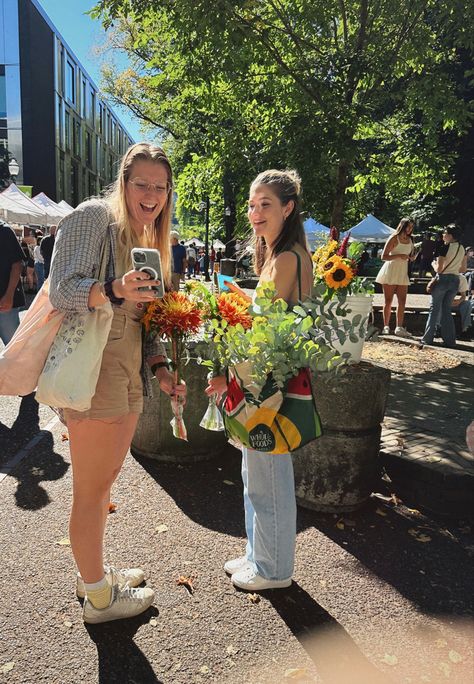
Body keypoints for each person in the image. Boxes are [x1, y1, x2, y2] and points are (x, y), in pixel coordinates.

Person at [48, 142, 187, 624]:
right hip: (96, 359)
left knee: (104, 482)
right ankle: (100, 601)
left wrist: (161, 368)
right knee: (90, 488)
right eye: (141, 183)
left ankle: (96, 576)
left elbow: (146, 320)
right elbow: (60, 289)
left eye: (160, 186)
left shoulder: (149, 235)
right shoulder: (92, 218)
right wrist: (113, 289)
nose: (151, 194)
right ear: (123, 182)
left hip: (128, 362)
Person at [206, 169, 313, 592]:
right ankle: (258, 555)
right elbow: (273, 313)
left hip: (271, 382)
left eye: (265, 204)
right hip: (269, 376)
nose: (255, 212)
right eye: (252, 204)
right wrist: (241, 295)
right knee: (258, 472)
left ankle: (273, 569)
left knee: (268, 476)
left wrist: (232, 303)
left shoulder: (287, 258)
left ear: (288, 207)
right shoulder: (283, 256)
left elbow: (262, 325)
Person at [421, 224, 467, 348]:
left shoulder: (444, 247)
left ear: (450, 236)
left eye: (444, 233)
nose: (443, 235)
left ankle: (427, 339)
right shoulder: (462, 248)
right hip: (455, 280)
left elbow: (439, 270)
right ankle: (450, 341)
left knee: (434, 309)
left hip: (443, 280)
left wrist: (433, 264)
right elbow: (463, 268)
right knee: (447, 310)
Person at [375, 217, 416, 337]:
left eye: (411, 227)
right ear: (402, 226)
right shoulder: (394, 237)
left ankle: (399, 327)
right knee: (388, 301)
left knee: (402, 301)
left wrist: (411, 258)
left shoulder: (411, 239)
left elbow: (409, 254)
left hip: (403, 271)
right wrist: (399, 256)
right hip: (391, 270)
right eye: (408, 226)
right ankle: (386, 326)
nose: (409, 229)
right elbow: (384, 256)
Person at [0, 220, 25, 345]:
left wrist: (9, 295)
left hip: (5, 304)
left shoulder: (4, 231)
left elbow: (17, 264)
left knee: (14, 349)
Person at [434, 274, 473, 341]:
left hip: (453, 303)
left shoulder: (461, 278)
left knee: (467, 304)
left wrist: (459, 301)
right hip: (442, 301)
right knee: (439, 304)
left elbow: (463, 296)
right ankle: (438, 328)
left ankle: (465, 329)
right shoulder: (441, 275)